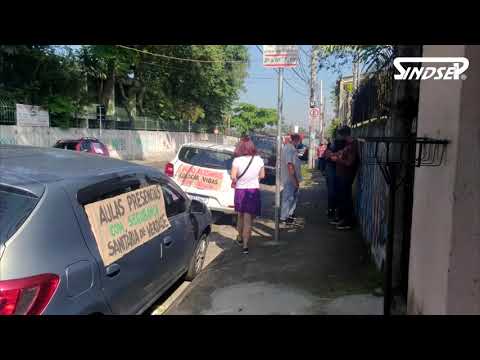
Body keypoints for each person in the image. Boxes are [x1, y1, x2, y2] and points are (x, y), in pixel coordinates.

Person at [231, 136, 265, 254]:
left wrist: (239, 180)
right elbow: (262, 176)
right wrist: (253, 178)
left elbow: (233, 176)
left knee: (240, 215)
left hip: (240, 191)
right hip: (253, 191)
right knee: (248, 219)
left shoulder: (237, 161)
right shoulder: (259, 160)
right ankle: (245, 246)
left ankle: (240, 237)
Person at [328, 126, 359, 230]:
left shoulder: (352, 145)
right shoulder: (348, 144)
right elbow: (341, 153)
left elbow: (349, 162)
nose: (338, 137)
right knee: (342, 198)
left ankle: (347, 221)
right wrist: (333, 155)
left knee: (346, 198)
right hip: (342, 175)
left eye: (339, 135)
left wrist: (336, 159)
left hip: (346, 176)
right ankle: (342, 218)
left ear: (343, 135)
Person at [280, 133, 302, 225]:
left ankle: (288, 216)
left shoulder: (289, 148)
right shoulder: (290, 149)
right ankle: (284, 217)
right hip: (290, 178)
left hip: (290, 178)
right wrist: (295, 180)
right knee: (288, 198)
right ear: (296, 140)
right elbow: (290, 165)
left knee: (291, 198)